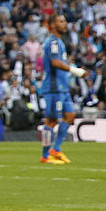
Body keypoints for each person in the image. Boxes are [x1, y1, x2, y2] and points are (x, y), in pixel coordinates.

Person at [40, 14, 86, 165]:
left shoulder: (59, 41)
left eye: (65, 21)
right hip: (54, 87)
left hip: (63, 87)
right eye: (61, 21)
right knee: (51, 120)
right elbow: (55, 62)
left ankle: (56, 150)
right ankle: (45, 156)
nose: (64, 24)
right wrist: (74, 70)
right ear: (52, 25)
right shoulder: (52, 41)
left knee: (70, 115)